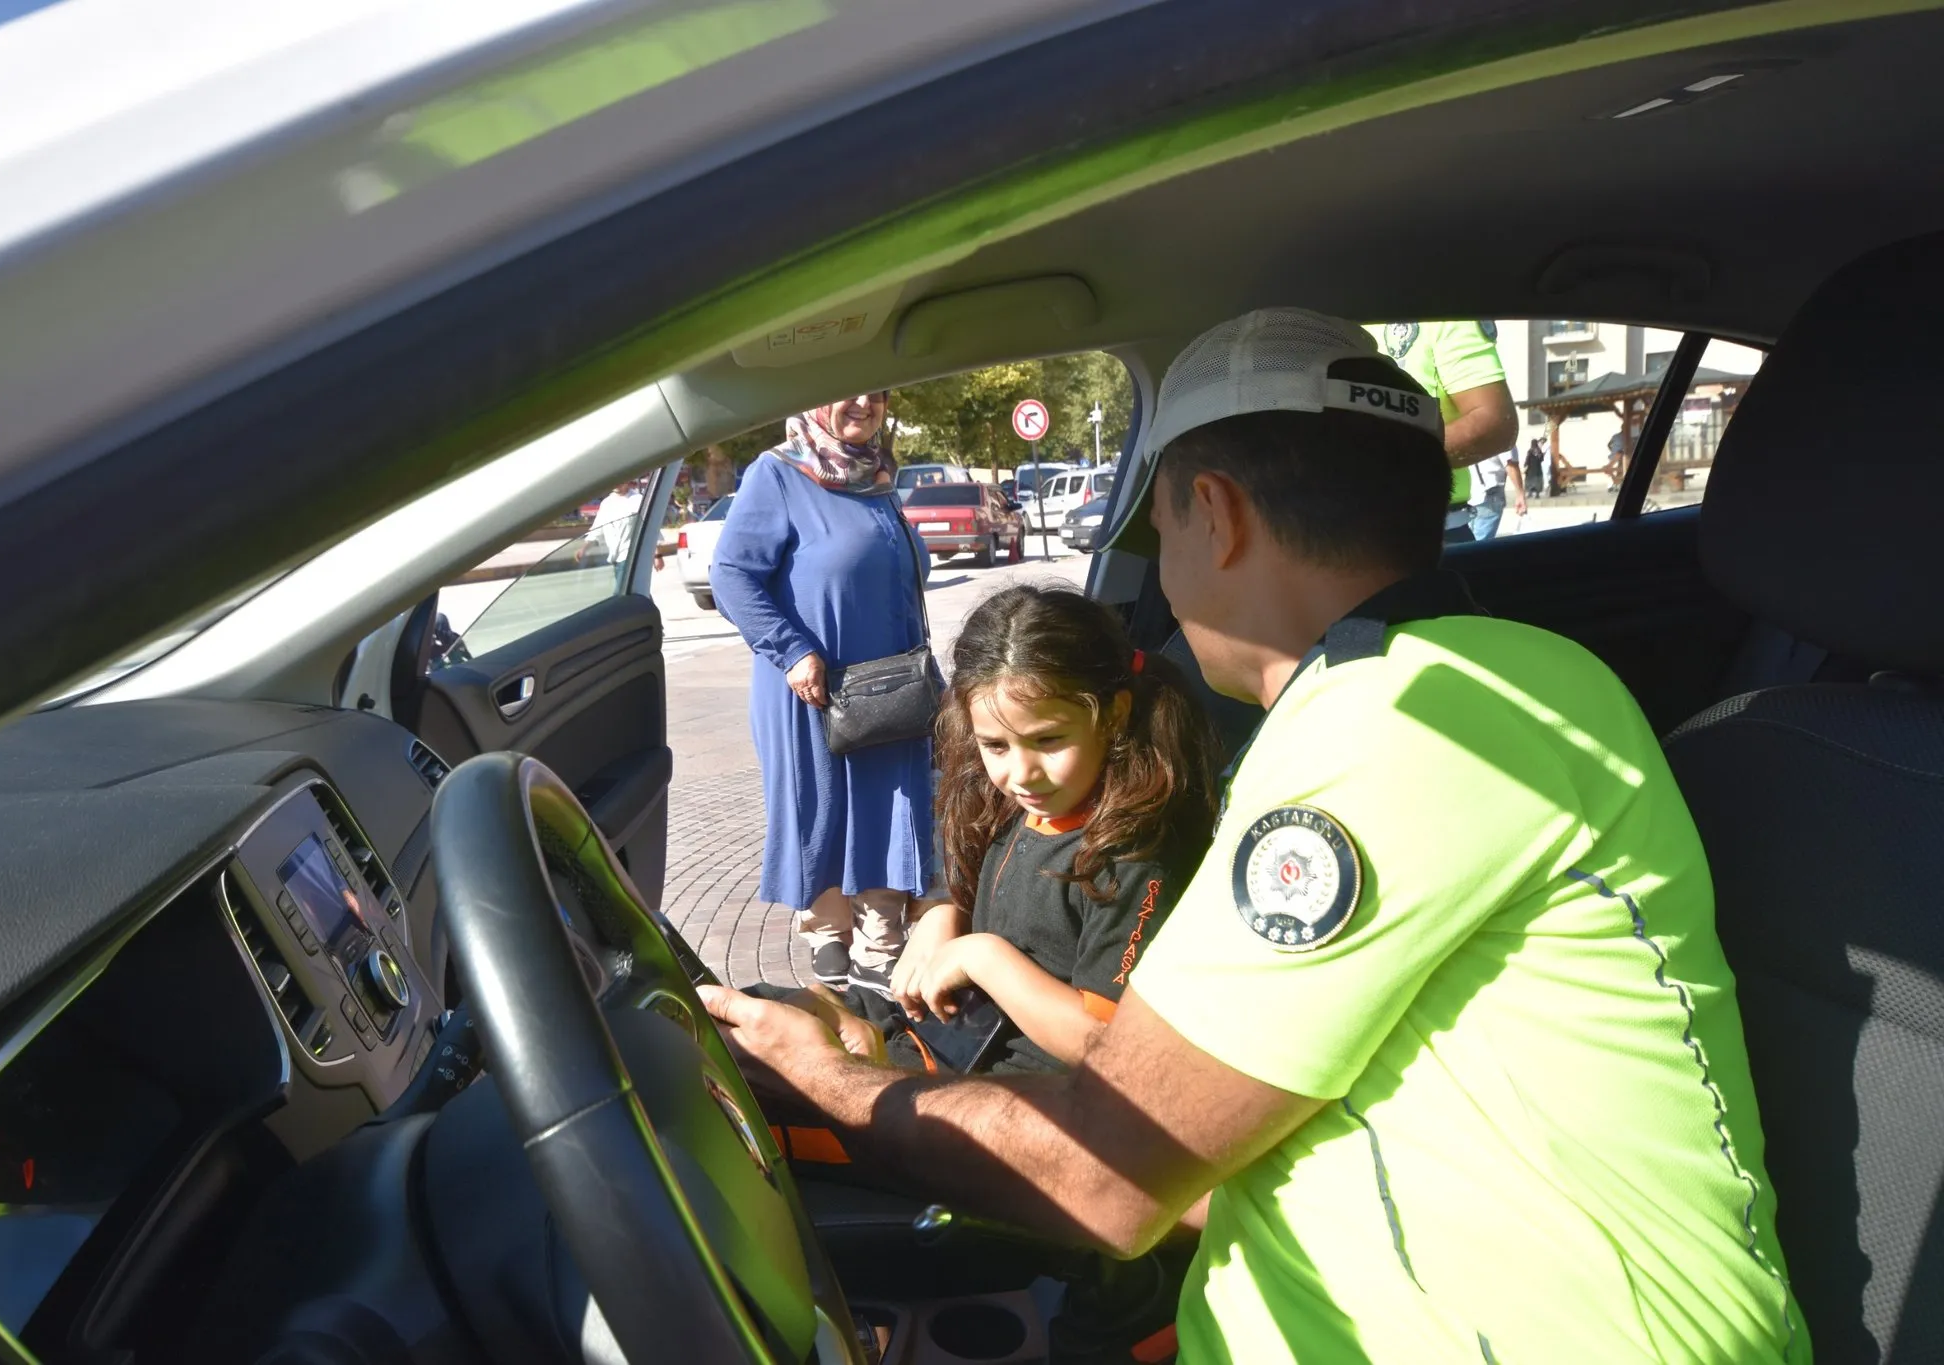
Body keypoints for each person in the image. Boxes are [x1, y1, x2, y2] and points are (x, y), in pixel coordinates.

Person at [699, 309, 1805, 1364]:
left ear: (1214, 515)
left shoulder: (1415, 719)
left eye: (1160, 527)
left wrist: (842, 1085)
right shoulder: (1433, 689)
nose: (1162, 571)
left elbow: (1108, 1170)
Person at [807, 585, 1219, 1076]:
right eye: (996, 746)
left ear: (1114, 715)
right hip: (950, 1039)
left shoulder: (1132, 857)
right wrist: (945, 912)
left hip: (1019, 1089)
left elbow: (1107, 1046)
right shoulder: (1007, 807)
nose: (1021, 774)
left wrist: (981, 957)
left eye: (1048, 740)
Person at [710, 394, 933, 996]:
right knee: (820, 805)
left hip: (889, 684)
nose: (863, 401)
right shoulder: (778, 473)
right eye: (848, 387)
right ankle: (825, 931)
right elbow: (731, 573)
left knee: (892, 800)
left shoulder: (879, 475)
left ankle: (879, 942)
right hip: (808, 685)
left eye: (877, 390)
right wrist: (791, 649)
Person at [1366, 321, 1518, 542]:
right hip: (1321, 530)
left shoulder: (1442, 316)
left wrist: (1378, 465)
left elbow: (1495, 422)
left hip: (1430, 531)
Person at [1465, 444, 1526, 541]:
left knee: (1470, 542)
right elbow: (1510, 464)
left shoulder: (1471, 433)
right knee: (1480, 544)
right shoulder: (1502, 433)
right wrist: (1520, 495)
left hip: (1472, 493)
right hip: (1490, 491)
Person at [581, 478, 646, 566]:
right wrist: (583, 549)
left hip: (631, 556)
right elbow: (597, 529)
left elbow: (647, 527)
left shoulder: (638, 500)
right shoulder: (606, 503)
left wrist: (657, 555)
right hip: (614, 558)